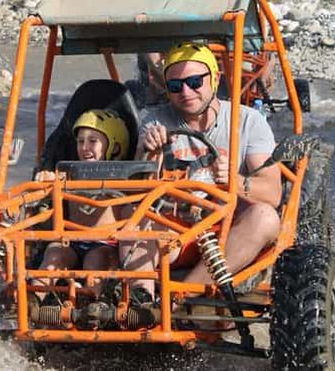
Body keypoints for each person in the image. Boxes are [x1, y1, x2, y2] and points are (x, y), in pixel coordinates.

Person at [120, 43, 282, 303]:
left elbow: (273, 193)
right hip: (174, 231)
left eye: (195, 82)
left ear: (215, 78)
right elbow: (139, 193)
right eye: (175, 86)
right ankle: (141, 300)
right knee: (132, 216)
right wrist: (149, 154)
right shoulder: (154, 122)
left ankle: (180, 299)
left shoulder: (248, 121)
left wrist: (235, 181)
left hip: (229, 233)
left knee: (266, 217)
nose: (186, 92)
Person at [34, 109, 130, 300]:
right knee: (54, 256)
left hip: (106, 244)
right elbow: (48, 208)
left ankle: (89, 302)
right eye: (80, 141)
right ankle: (33, 300)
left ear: (115, 146)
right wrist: (46, 181)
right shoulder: (67, 173)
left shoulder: (126, 178)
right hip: (71, 240)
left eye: (93, 141)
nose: (85, 147)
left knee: (96, 261)